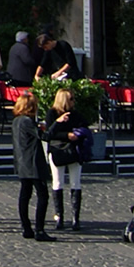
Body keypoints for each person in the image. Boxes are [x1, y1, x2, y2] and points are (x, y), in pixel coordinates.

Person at [10, 92, 55, 241]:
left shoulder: (16, 121)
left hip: (21, 162)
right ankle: (39, 230)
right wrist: (56, 123)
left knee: (25, 195)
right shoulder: (27, 122)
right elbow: (45, 136)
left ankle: (26, 227)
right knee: (43, 195)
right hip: (33, 163)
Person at [43, 88, 85, 231]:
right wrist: (67, 135)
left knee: (76, 182)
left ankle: (75, 217)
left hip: (73, 150)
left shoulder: (76, 114)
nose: (73, 101)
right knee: (57, 182)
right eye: (71, 98)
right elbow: (49, 133)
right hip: (57, 150)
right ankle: (59, 215)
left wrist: (78, 134)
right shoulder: (52, 114)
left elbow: (84, 126)